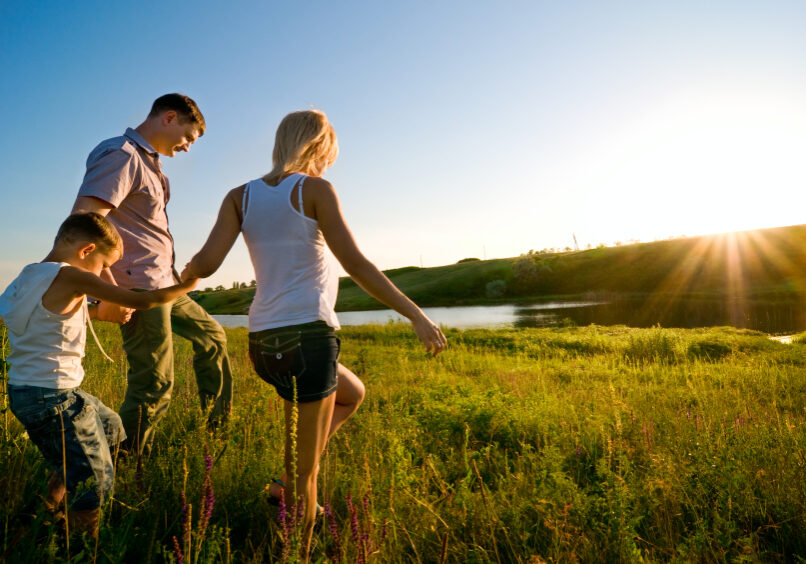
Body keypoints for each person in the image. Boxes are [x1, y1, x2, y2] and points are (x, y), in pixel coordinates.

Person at [181, 109, 447, 560]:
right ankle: (297, 546)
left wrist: (169, 284)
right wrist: (416, 315)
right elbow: (357, 265)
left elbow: (203, 266)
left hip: (262, 343)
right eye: (330, 152)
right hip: (308, 339)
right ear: (319, 146)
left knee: (352, 393)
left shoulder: (238, 196)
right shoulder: (315, 190)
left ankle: (285, 484)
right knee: (309, 476)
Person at [0, 213, 198, 538]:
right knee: (96, 477)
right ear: (87, 250)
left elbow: (38, 315)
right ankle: (79, 546)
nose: (105, 275)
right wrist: (189, 282)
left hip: (28, 392)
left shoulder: (28, 275)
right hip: (54, 398)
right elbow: (143, 299)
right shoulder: (73, 276)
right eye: (104, 264)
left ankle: (46, 511)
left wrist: (96, 312)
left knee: (109, 425)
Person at [71, 94, 233, 456]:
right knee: (154, 385)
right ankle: (117, 466)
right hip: (137, 288)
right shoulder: (122, 155)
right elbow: (84, 222)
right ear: (170, 117)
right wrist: (108, 293)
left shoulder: (151, 165)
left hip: (165, 284)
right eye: (189, 137)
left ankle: (218, 432)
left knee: (214, 338)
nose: (189, 147)